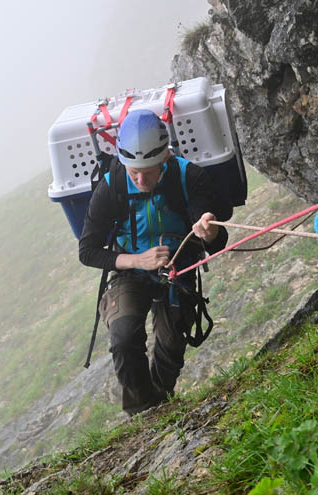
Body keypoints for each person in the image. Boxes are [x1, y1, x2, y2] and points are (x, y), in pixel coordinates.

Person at [79, 109, 228, 415]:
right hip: (129, 271)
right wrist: (137, 260)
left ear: (165, 158)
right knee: (123, 338)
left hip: (177, 268)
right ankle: (142, 411)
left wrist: (209, 233)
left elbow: (216, 239)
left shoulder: (189, 177)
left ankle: (159, 400)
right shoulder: (112, 186)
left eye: (148, 170)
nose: (141, 179)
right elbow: (88, 250)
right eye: (134, 171)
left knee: (171, 343)